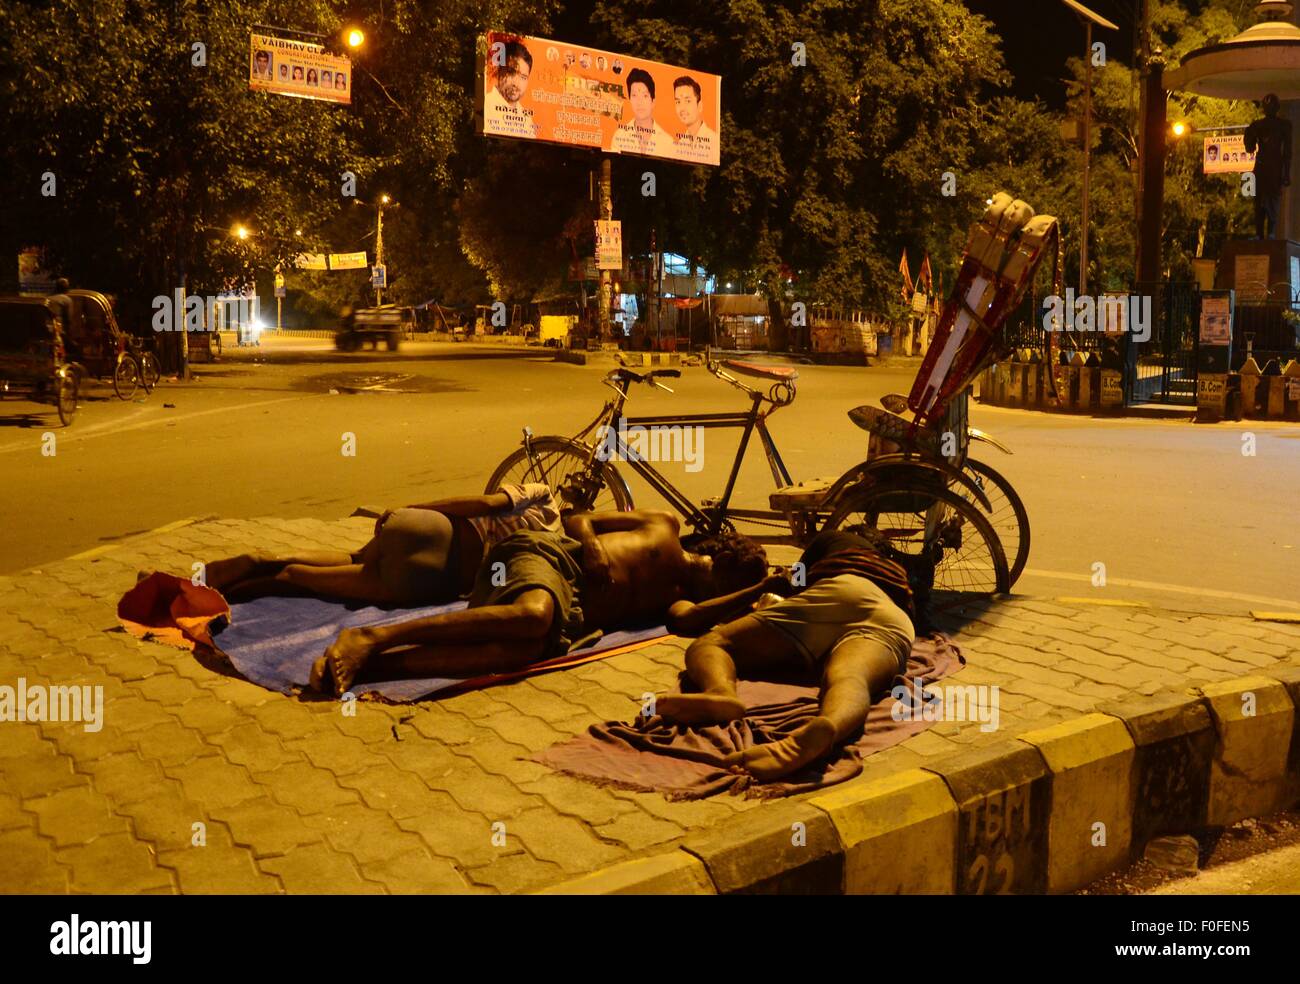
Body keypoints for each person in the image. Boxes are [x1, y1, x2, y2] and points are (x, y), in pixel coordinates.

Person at [307, 510, 768, 697]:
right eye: (729, 584)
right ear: (721, 560)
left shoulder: (679, 600)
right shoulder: (664, 527)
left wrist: (747, 598)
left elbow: (687, 624)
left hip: (572, 611)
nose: (718, 596)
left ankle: (374, 667)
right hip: (547, 559)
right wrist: (589, 547)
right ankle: (373, 636)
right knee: (533, 616)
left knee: (520, 650)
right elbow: (578, 517)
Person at [656, 529, 917, 781]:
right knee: (851, 677)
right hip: (896, 619)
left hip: (840, 590)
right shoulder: (901, 577)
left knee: (714, 643)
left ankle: (719, 691)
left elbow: (794, 585)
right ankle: (829, 726)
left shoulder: (835, 540)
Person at [204, 484, 563, 606]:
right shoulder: (559, 548)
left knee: (354, 555)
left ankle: (261, 560)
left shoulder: (543, 494)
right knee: (303, 581)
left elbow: (484, 505)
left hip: (431, 529)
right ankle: (256, 584)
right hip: (440, 577)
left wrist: (412, 510)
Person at [1245, 93, 1292, 240]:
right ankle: (1261, 233)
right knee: (1260, 200)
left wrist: (1286, 173)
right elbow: (1250, 148)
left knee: (1270, 199)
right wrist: (1250, 136)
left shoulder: (1283, 125)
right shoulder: (1258, 126)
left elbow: (1288, 151)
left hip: (1272, 167)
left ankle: (1269, 233)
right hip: (1263, 166)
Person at [612, 68, 672, 156]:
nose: (639, 102)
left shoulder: (667, 141)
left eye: (645, 96)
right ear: (630, 100)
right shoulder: (620, 136)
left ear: (653, 101)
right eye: (634, 95)